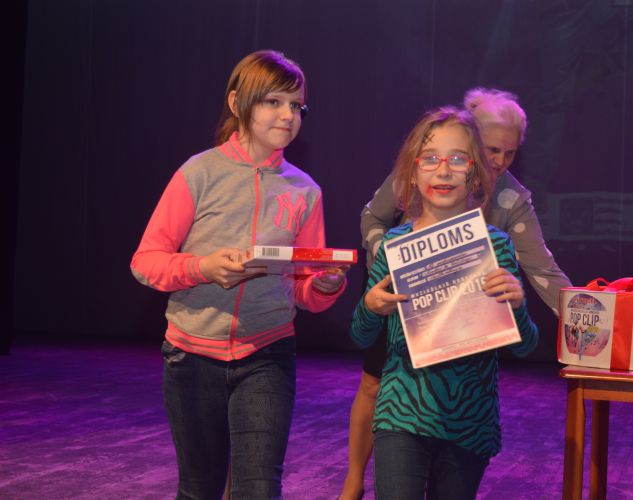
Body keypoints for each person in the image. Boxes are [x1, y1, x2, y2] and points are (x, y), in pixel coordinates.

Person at [130, 50, 348, 499]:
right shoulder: (199, 172)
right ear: (237, 103)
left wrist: (325, 286)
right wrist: (202, 267)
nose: (288, 115)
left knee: (259, 490)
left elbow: (305, 286)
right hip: (191, 356)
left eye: (296, 105)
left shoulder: (305, 191)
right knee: (200, 489)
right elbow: (145, 261)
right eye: (273, 101)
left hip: (268, 353)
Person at [340, 89, 571, 500]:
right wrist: (371, 307)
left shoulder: (497, 245)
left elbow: (525, 345)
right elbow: (359, 336)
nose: (443, 170)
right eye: (431, 159)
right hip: (401, 414)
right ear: (412, 174)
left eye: (458, 160)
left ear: (476, 173)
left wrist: (517, 306)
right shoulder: (395, 246)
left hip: (469, 423)